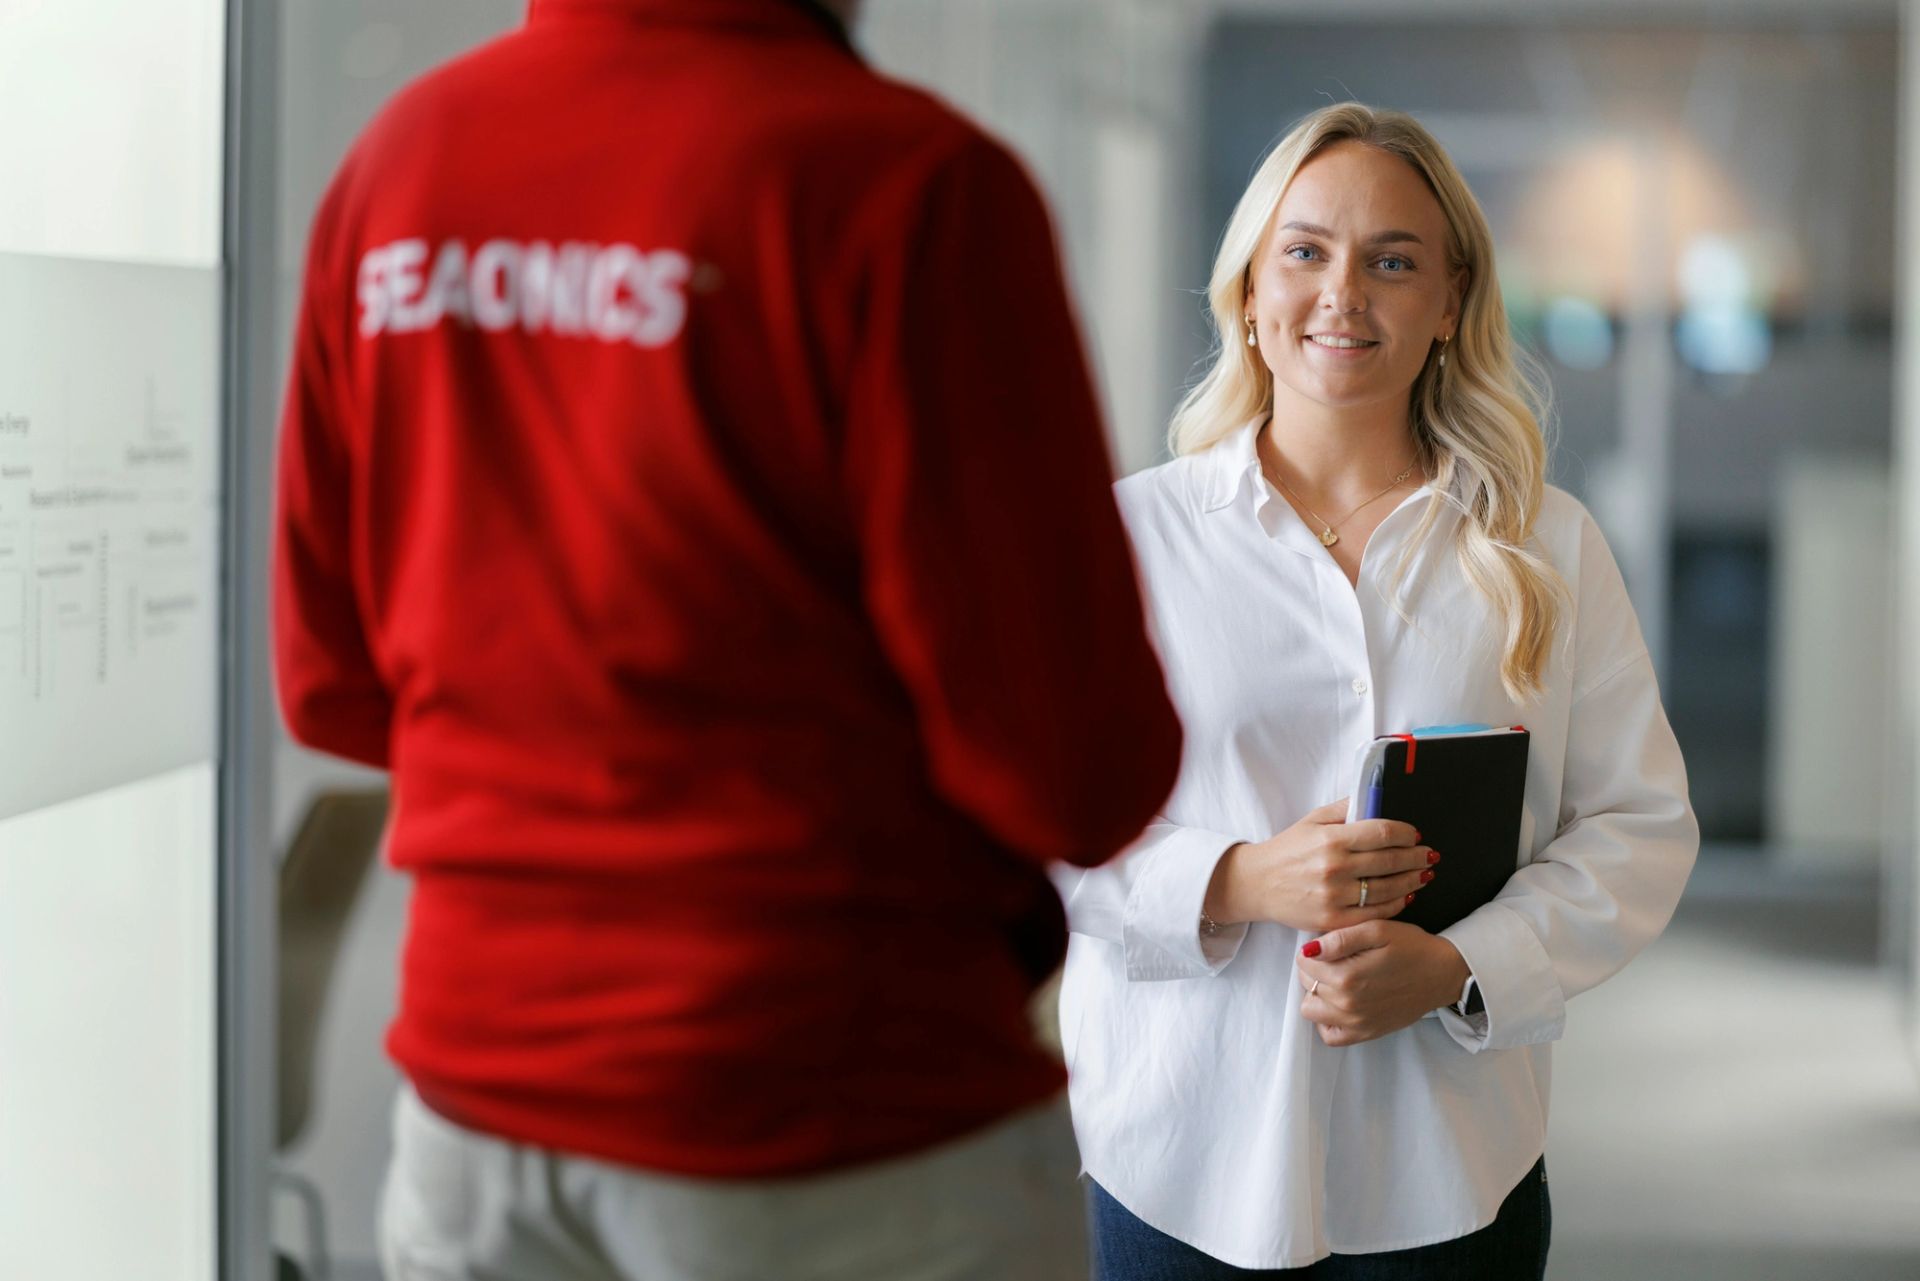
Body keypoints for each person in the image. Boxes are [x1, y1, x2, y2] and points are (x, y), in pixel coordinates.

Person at [271, 1, 1183, 1277]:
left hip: (474, 1118)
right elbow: (1071, 773)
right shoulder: (905, 183)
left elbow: (330, 686)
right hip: (831, 1122)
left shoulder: (404, 162)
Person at [1054, 102, 1699, 1279]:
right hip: (1183, 1160)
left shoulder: (1547, 545)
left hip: (1449, 1167)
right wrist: (1235, 879)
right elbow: (1032, 824)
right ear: (1249, 292)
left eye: (1392, 261)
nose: (1343, 292)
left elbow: (1640, 828)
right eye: (1304, 251)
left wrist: (1463, 965)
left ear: (1451, 302)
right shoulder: (1126, 540)